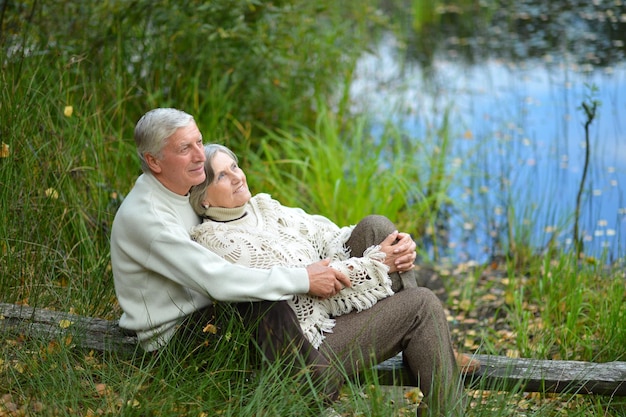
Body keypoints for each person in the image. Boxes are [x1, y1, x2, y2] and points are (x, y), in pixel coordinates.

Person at [111, 108, 465, 416]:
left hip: (242, 318)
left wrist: (388, 249)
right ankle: (317, 385)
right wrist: (313, 276)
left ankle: (430, 347)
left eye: (199, 143)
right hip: (188, 340)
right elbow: (220, 279)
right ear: (154, 161)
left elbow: (318, 236)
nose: (197, 156)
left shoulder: (194, 189)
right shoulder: (152, 220)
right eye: (184, 149)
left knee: (376, 228)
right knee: (420, 305)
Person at [188, 144, 418, 349]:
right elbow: (310, 285)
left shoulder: (263, 207)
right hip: (311, 334)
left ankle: (414, 340)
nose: (237, 177)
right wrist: (377, 263)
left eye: (235, 167)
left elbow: (327, 237)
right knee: (420, 304)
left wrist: (395, 248)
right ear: (203, 198)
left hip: (333, 297)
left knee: (377, 227)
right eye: (221, 176)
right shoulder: (217, 240)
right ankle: (415, 338)